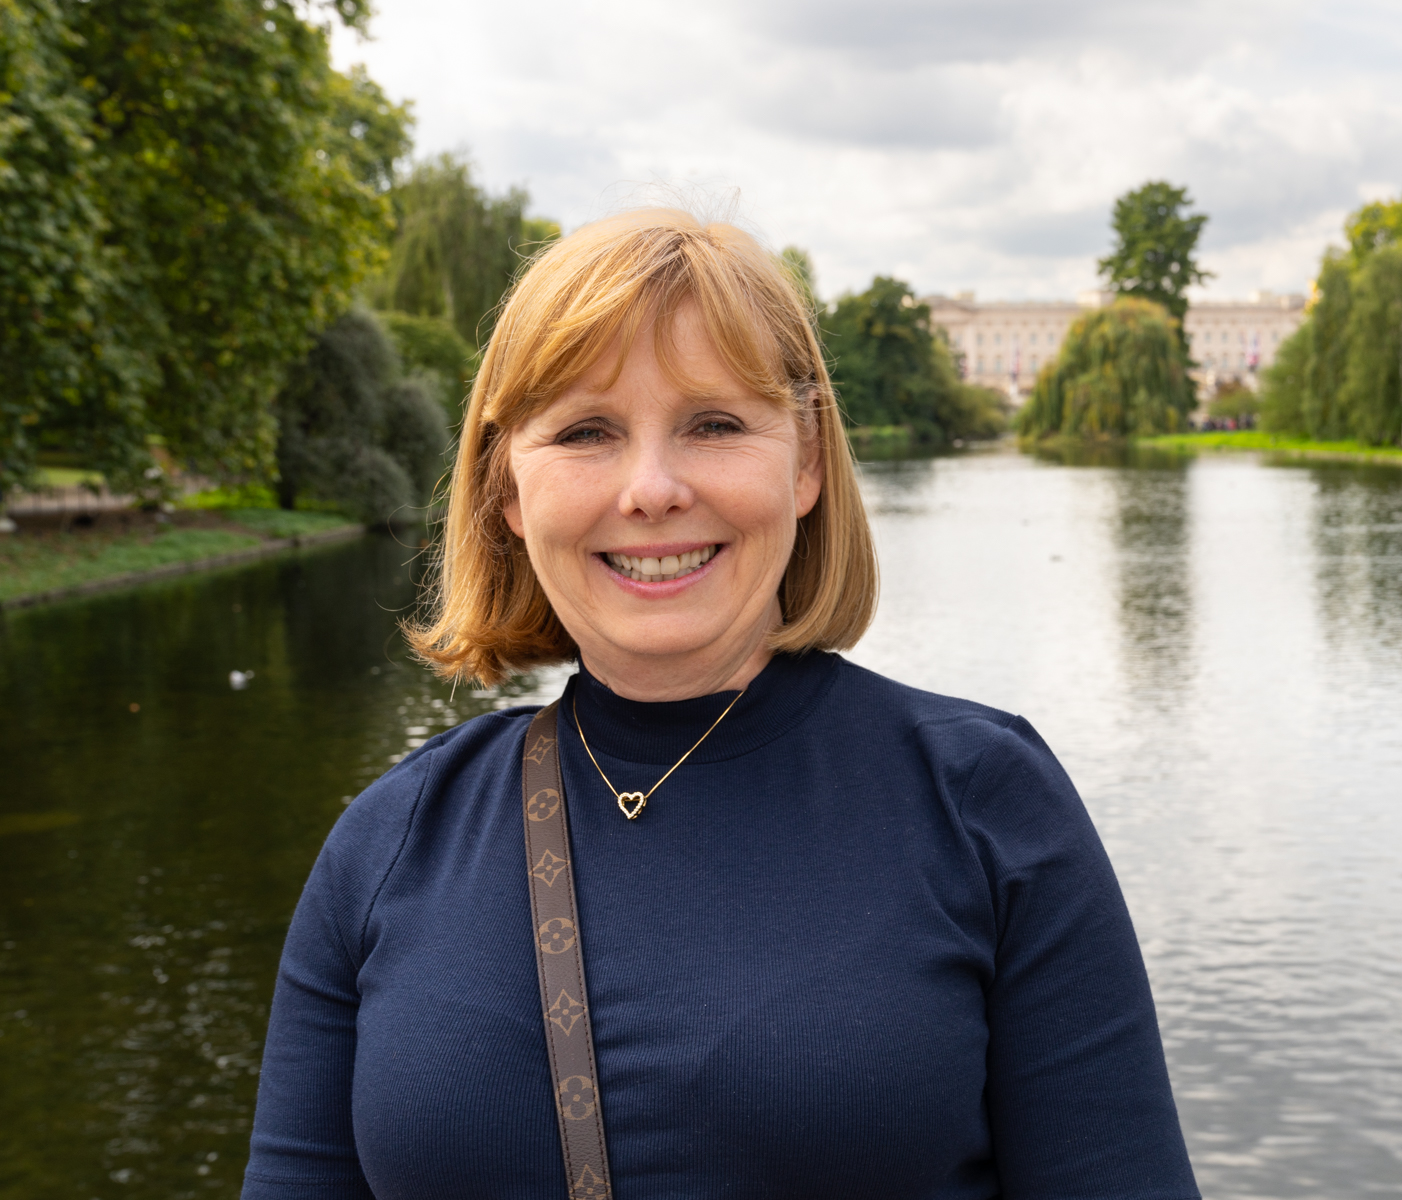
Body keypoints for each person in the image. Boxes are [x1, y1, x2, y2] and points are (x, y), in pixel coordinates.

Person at [243, 209, 1200, 1200]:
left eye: (714, 424)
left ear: (807, 465)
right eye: (585, 432)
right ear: (509, 494)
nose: (652, 489)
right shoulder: (389, 846)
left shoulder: (986, 806)